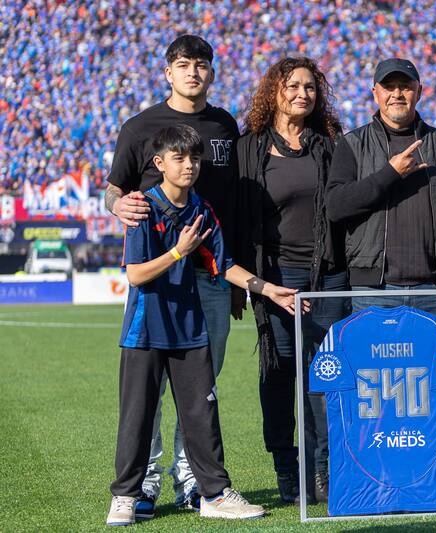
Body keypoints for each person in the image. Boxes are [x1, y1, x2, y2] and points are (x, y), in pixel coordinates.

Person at [107, 124, 301, 526]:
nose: (189, 165)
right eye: (179, 158)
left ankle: (214, 493)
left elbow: (224, 265)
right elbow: (136, 275)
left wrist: (268, 290)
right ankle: (125, 494)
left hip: (190, 329)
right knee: (138, 414)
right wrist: (179, 252)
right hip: (145, 330)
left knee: (202, 413)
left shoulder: (201, 210)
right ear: (159, 163)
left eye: (194, 158)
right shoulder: (143, 207)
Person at [104, 35, 241, 516]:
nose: (193, 72)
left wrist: (237, 280)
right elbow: (114, 189)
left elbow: (232, 200)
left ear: (212, 72)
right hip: (160, 280)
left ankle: (195, 482)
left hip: (212, 275)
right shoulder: (140, 127)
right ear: (168, 72)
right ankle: (144, 484)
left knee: (199, 388)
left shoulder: (224, 125)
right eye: (183, 65)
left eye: (201, 64)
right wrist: (116, 205)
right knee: (150, 391)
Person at [235, 57, 347, 504]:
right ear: (273, 91)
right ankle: (287, 468)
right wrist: (245, 283)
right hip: (276, 279)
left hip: (329, 275)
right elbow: (238, 219)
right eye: (293, 86)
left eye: (310, 87)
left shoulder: (331, 144)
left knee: (326, 374)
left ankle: (322, 470)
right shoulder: (249, 148)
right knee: (279, 375)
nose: (303, 93)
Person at [325, 58, 436, 315]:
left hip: (433, 288)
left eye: (405, 86)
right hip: (372, 289)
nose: (397, 94)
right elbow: (336, 207)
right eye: (389, 87)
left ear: (419, 91)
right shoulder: (352, 144)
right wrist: (390, 173)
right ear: (375, 93)